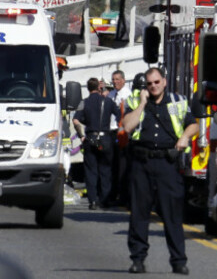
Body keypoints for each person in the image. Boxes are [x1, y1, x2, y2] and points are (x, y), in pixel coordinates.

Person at [122, 67, 199, 275]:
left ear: (164, 82)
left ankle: (178, 261)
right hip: (142, 163)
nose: (153, 86)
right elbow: (127, 127)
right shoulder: (134, 102)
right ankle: (137, 259)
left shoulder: (178, 101)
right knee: (139, 214)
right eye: (149, 84)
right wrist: (143, 104)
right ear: (145, 86)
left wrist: (184, 137)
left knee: (172, 215)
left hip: (167, 164)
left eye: (157, 82)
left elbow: (193, 125)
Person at [72, 77, 120, 210]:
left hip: (90, 138)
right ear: (99, 88)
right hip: (105, 138)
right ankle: (104, 199)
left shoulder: (84, 102)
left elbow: (75, 120)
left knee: (91, 171)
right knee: (105, 170)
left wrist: (81, 135)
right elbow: (119, 115)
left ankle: (92, 201)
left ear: (88, 88)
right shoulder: (108, 101)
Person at [107, 70, 132, 207]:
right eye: (113, 79)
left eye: (117, 79)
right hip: (111, 132)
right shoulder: (111, 95)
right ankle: (113, 194)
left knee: (122, 167)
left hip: (121, 134)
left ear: (123, 80)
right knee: (113, 166)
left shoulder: (127, 95)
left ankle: (122, 196)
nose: (115, 82)